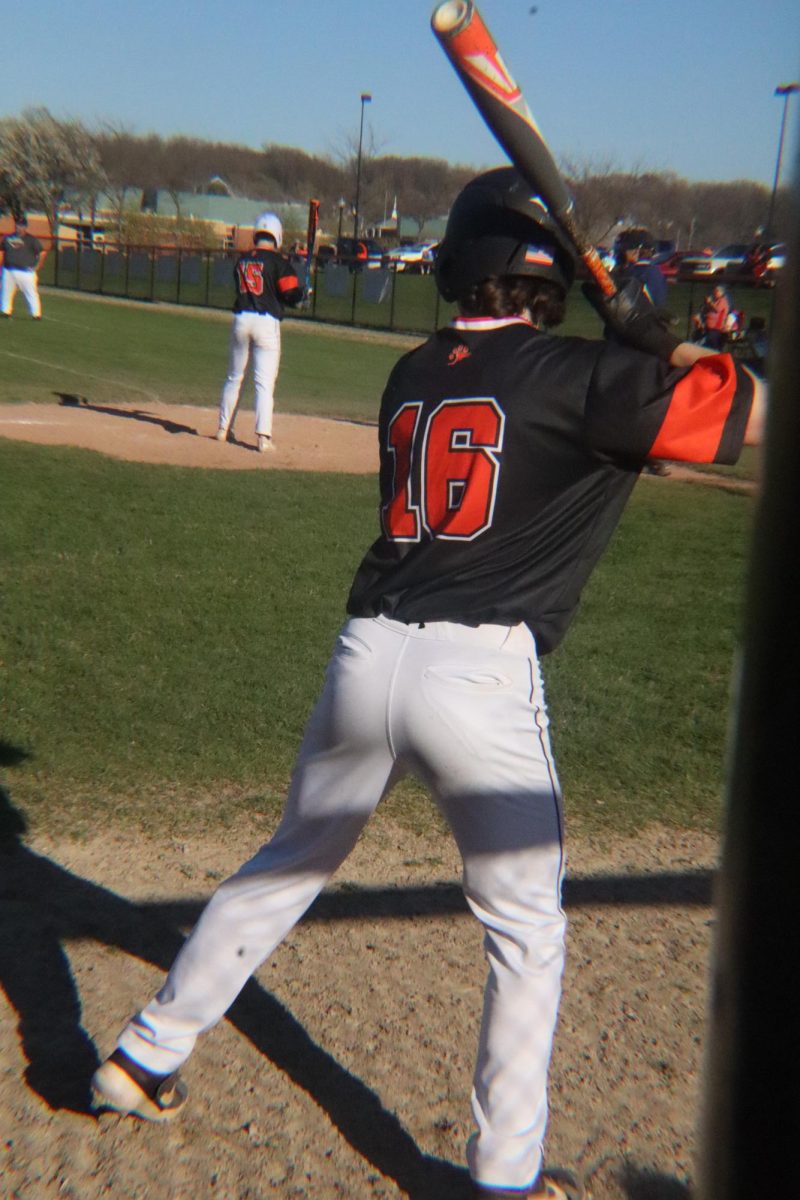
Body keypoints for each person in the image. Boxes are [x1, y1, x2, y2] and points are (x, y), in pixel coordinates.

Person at [91, 168, 764, 1200]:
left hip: (367, 652)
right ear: (551, 279)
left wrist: (622, 346)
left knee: (290, 859)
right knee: (525, 930)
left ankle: (142, 1054)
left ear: (458, 264)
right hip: (479, 675)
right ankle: (503, 1177)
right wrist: (650, 331)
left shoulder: (410, 369)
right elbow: (748, 412)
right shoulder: (584, 373)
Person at [215, 211, 303, 453]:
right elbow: (289, 294)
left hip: (241, 319)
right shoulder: (280, 263)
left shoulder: (242, 260)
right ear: (277, 236)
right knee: (264, 384)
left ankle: (223, 429)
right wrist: (301, 295)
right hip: (266, 323)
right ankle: (263, 438)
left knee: (234, 377)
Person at [612, 227, 673, 475]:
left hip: (632, 343)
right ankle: (644, 452)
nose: (619, 253)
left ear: (637, 251)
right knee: (637, 398)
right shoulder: (652, 272)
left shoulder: (638, 273)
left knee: (628, 397)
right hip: (645, 341)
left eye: (624, 249)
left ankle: (644, 452)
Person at [1, 213, 46, 319]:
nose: (19, 227)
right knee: (6, 291)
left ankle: (36, 314)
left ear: (25, 227)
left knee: (30, 292)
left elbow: (42, 253)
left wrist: (37, 266)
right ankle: (5, 311)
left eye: (21, 225)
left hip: (25, 271)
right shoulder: (8, 238)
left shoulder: (31, 240)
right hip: (9, 269)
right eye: (17, 225)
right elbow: (2, 251)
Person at [691, 283, 732, 351]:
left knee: (712, 345)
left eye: (716, 291)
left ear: (721, 292)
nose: (714, 293)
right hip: (709, 327)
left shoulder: (723, 301)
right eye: (714, 291)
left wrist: (710, 302)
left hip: (716, 328)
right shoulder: (716, 301)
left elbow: (717, 309)